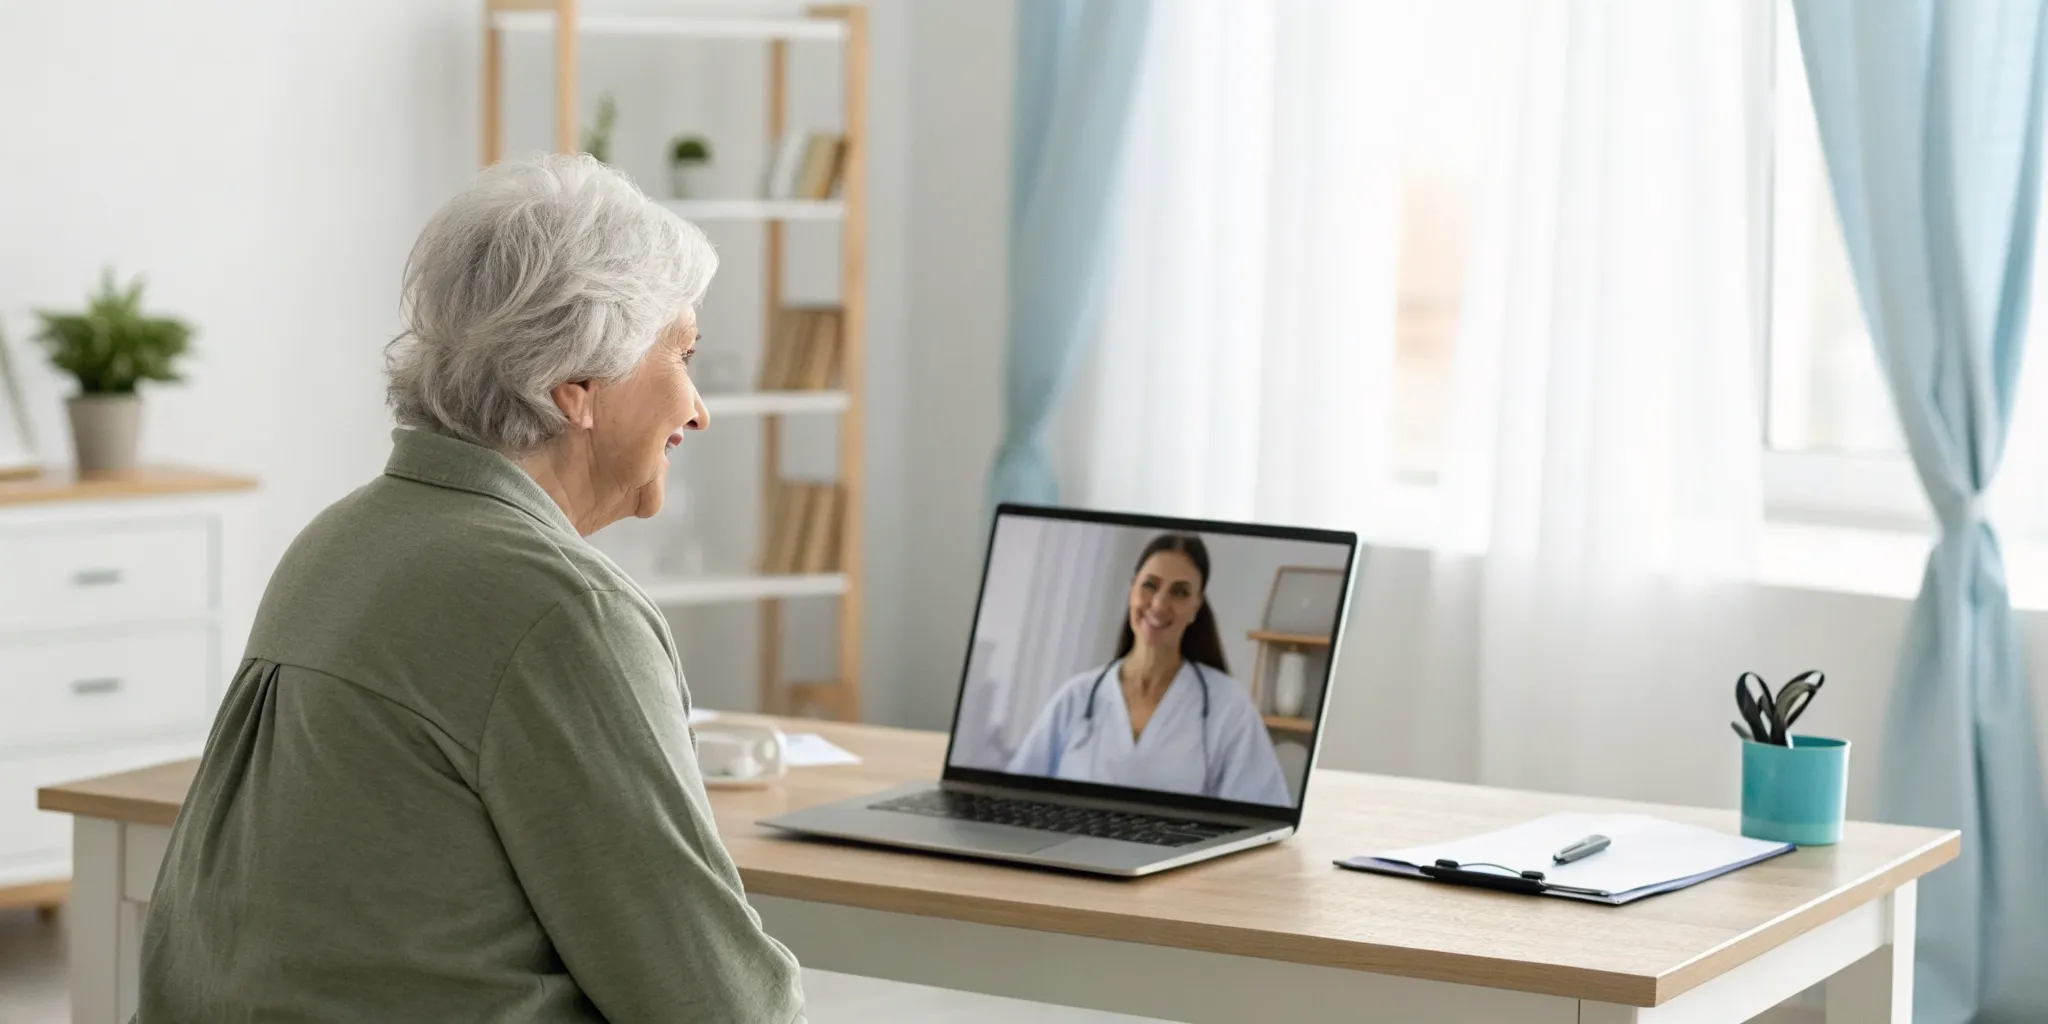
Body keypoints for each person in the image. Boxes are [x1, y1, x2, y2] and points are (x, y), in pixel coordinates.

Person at [137, 153, 806, 1022]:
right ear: (579, 387)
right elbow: (716, 1003)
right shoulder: (561, 611)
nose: (698, 407)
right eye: (681, 354)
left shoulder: (341, 540)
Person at [1007, 534, 1293, 806]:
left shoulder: (1229, 707)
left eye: (1179, 592)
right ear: (1132, 589)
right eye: (1150, 585)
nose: (1159, 604)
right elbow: (1011, 798)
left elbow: (1261, 818)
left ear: (1196, 606)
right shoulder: (1076, 697)